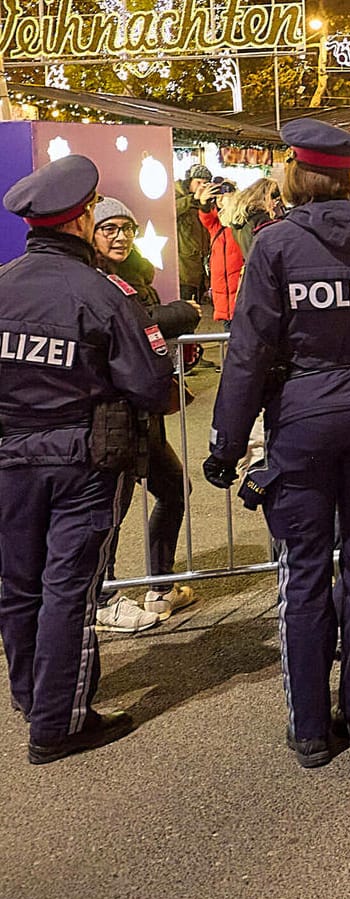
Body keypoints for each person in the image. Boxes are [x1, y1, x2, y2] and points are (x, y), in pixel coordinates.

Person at [203, 119, 350, 768]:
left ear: (297, 175)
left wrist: (226, 445)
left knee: (303, 573)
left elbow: (249, 354)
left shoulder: (275, 247)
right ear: (349, 176)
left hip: (302, 423)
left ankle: (310, 730)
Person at [0, 155, 174, 763]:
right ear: (79, 220)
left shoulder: (2, 284)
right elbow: (153, 385)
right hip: (83, 457)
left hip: (10, 456)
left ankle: (33, 696)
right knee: (68, 587)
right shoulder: (103, 294)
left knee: (19, 584)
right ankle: (58, 723)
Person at [89, 197, 201, 630]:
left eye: (126, 227)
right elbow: (133, 324)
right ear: (91, 234)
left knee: (174, 489)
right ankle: (103, 596)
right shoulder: (92, 279)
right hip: (113, 415)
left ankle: (160, 584)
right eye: (109, 228)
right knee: (110, 509)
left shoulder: (137, 273)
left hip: (145, 414)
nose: (120, 236)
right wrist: (177, 316)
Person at [195, 179, 245, 328]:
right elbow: (205, 217)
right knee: (229, 337)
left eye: (226, 194)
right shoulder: (216, 225)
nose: (222, 199)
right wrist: (203, 202)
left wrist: (235, 198)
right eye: (219, 196)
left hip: (241, 296)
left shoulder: (241, 224)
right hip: (223, 300)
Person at [221, 178, 284, 261]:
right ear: (265, 197)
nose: (275, 205)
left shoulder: (241, 220)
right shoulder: (261, 220)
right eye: (275, 199)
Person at [175, 164, 211, 305]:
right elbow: (171, 211)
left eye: (205, 183)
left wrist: (205, 203)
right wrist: (193, 199)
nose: (201, 186)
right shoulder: (176, 194)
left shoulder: (204, 199)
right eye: (198, 182)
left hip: (200, 262)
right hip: (184, 264)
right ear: (189, 181)